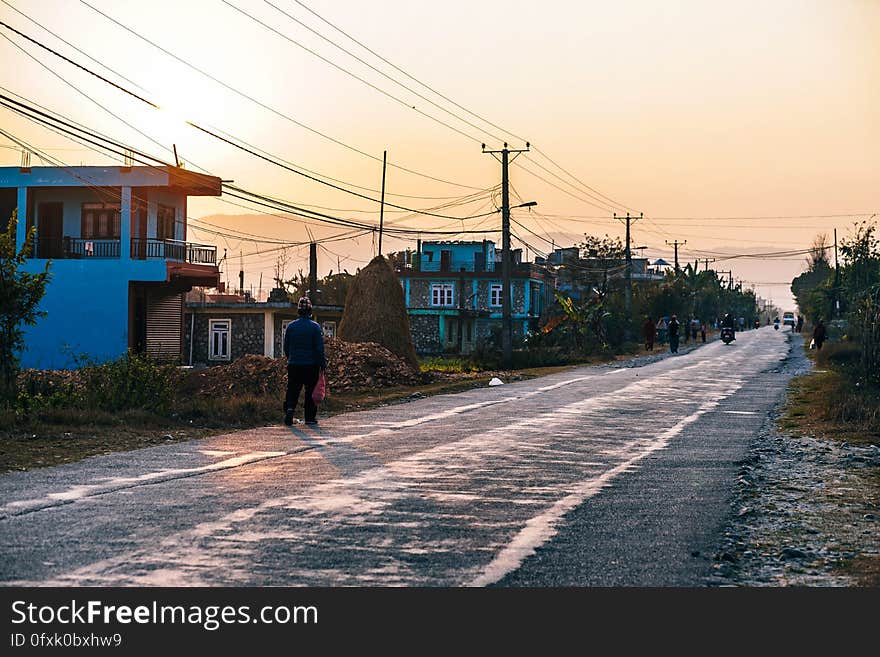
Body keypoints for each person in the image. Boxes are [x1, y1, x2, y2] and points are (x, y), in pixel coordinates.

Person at [283, 297, 327, 426]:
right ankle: (309, 417)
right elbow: (319, 348)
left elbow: (286, 346)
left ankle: (290, 409)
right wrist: (322, 364)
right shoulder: (315, 327)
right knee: (310, 391)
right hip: (310, 365)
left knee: (292, 389)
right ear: (310, 311)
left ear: (298, 311)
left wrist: (290, 358)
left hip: (294, 364)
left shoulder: (291, 327)